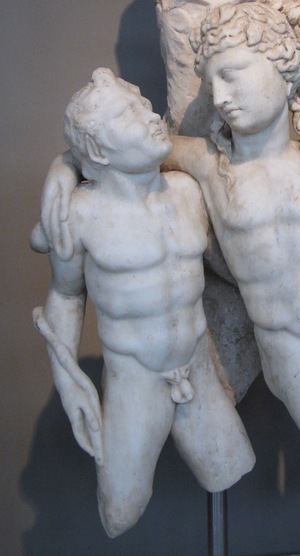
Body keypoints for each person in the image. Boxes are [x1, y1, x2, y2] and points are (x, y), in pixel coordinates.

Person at [41, 3, 300, 501]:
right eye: (212, 86)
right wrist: (64, 169)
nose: (222, 98)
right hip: (296, 347)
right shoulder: (210, 166)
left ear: (283, 67)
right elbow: (117, 146)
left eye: (232, 76)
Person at [31, 68, 255, 538]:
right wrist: (68, 379)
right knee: (121, 509)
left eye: (145, 105)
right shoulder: (80, 215)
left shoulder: (187, 193)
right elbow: (66, 296)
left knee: (229, 468)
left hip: (197, 372)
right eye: (128, 114)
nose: (151, 116)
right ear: (98, 151)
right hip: (135, 381)